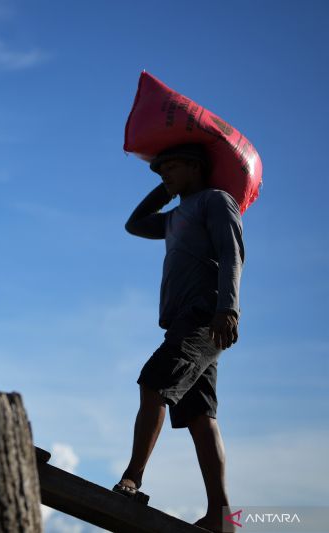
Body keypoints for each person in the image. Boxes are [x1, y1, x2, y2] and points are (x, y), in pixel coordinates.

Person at [116, 144, 244, 532]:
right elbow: (135, 224)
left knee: (154, 381)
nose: (163, 174)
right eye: (160, 171)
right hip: (185, 322)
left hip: (205, 317)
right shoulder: (174, 217)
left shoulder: (215, 201)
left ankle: (132, 477)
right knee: (199, 416)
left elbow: (231, 252)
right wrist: (164, 192)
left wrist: (229, 308)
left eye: (171, 168)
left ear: (196, 166)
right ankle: (221, 516)